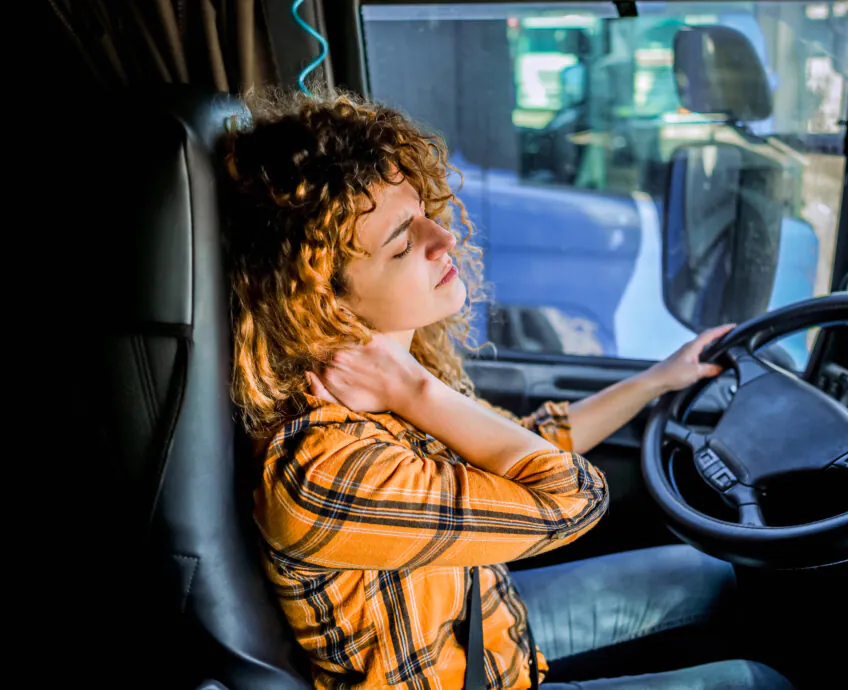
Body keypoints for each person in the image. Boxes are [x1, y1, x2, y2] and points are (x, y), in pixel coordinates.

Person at [221, 88, 793, 690]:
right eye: (401, 242)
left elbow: (532, 443)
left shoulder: (388, 390)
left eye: (422, 212)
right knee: (757, 683)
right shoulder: (324, 470)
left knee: (712, 574)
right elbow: (573, 498)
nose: (441, 237)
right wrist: (415, 391)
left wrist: (659, 379)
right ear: (320, 301)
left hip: (490, 622)